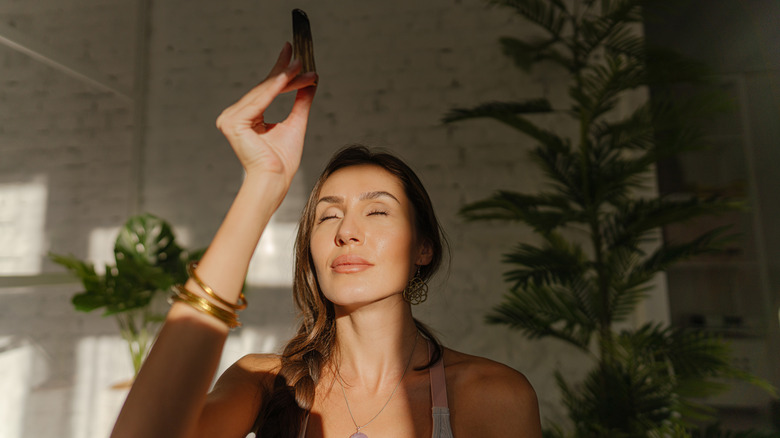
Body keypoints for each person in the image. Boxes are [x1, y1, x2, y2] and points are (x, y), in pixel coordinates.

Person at [110, 42, 542, 438]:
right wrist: (263, 186)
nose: (346, 232)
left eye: (377, 211)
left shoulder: (491, 394)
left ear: (423, 248)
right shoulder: (265, 384)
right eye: (328, 216)